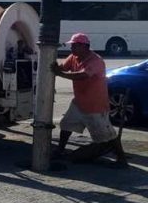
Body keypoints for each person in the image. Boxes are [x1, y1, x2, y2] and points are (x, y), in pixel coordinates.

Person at [52, 32, 127, 165]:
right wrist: (53, 65)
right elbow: (62, 68)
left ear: (84, 46)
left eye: (74, 46)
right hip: (79, 102)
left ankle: (121, 159)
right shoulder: (74, 57)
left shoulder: (96, 61)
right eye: (72, 46)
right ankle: (60, 150)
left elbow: (82, 75)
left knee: (107, 135)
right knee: (66, 124)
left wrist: (60, 74)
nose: (71, 48)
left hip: (95, 105)